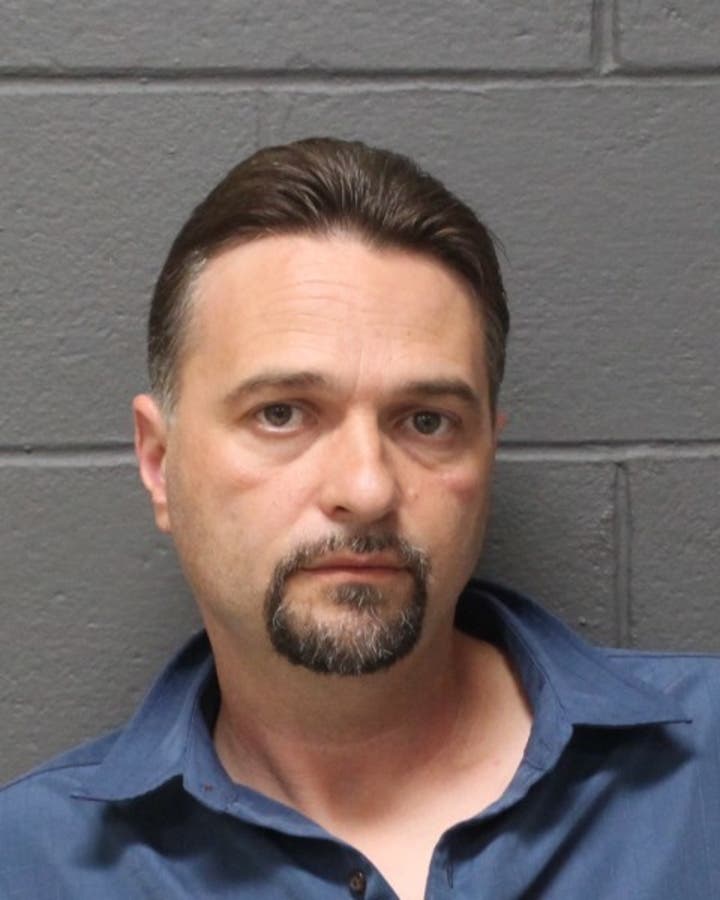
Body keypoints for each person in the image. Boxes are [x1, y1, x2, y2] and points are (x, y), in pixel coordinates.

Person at [1, 137, 718, 900]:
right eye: (282, 414)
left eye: (427, 421)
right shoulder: (33, 866)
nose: (367, 488)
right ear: (158, 463)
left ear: (487, 453)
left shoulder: (700, 773)